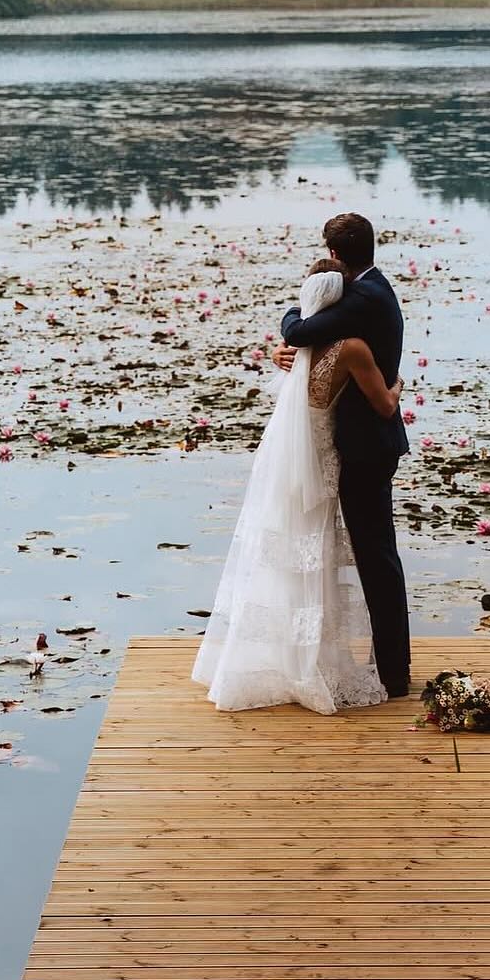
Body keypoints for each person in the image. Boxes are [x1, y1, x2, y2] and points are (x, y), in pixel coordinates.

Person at [192, 258, 403, 713]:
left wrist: (285, 337)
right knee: (316, 558)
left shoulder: (299, 351)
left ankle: (278, 656)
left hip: (290, 464)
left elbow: (295, 333)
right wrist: (398, 384)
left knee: (286, 555)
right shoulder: (350, 348)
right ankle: (311, 662)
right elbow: (384, 405)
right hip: (325, 463)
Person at [272, 213, 412, 698]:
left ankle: (394, 675)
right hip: (365, 442)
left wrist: (289, 325)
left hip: (366, 448)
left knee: (377, 560)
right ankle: (391, 667)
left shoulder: (362, 299)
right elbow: (308, 340)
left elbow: (302, 329)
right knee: (378, 558)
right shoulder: (376, 288)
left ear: (334, 254)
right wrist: (284, 349)